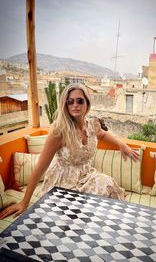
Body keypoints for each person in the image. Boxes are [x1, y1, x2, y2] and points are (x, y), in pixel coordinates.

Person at [0, 83, 139, 219]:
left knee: (107, 185)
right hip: (63, 182)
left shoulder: (92, 125)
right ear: (65, 105)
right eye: (70, 102)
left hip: (86, 175)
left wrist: (122, 145)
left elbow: (102, 134)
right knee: (78, 214)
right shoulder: (59, 131)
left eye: (80, 101)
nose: (75, 105)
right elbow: (40, 167)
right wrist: (24, 202)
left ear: (87, 104)